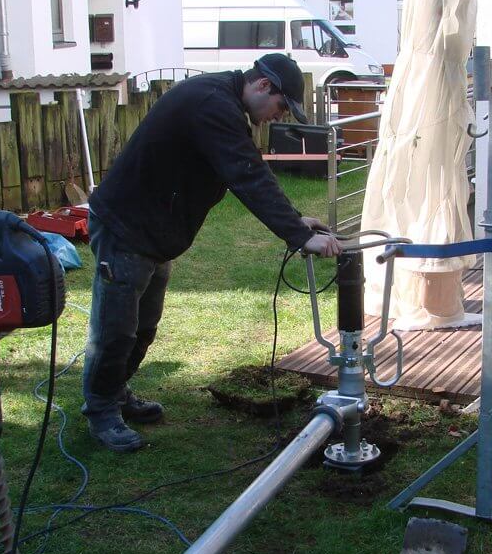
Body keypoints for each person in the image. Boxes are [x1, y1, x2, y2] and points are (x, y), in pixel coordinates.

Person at [82, 53, 341, 452]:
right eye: (280, 105)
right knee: (116, 330)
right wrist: (295, 234)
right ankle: (101, 410)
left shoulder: (225, 104)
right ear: (263, 85)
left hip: (153, 233)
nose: (278, 115)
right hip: (125, 228)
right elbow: (245, 175)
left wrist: (295, 219)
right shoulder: (212, 104)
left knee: (143, 327)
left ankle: (115, 393)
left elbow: (248, 166)